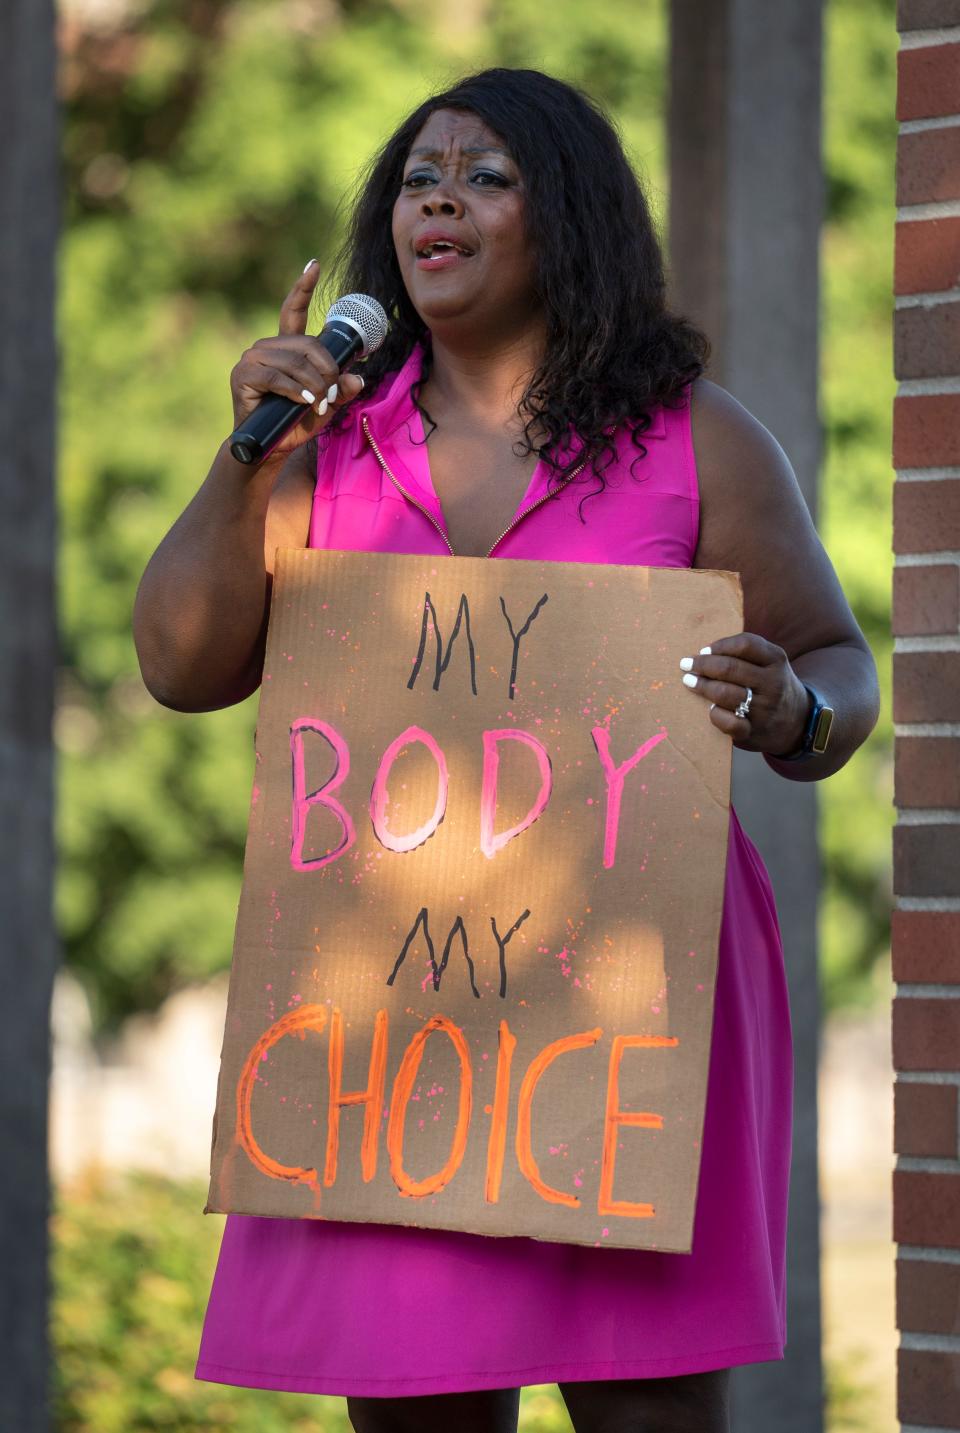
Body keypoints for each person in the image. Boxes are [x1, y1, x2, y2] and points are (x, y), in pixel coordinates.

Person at [134, 67, 879, 1433]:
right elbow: (181, 667)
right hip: (394, 1025)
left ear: (569, 219)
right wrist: (244, 462)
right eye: (422, 177)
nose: (441, 201)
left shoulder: (697, 440)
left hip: (625, 1015)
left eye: (486, 176)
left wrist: (797, 715)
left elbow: (839, 663)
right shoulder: (325, 450)